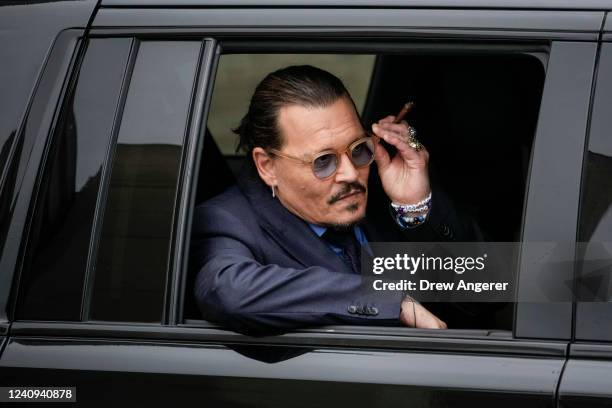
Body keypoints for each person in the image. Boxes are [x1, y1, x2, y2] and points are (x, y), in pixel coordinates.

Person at [191, 65, 483, 334]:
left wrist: (417, 207)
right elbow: (226, 291)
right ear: (268, 166)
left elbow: (487, 294)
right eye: (323, 161)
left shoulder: (387, 191)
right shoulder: (229, 220)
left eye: (358, 148)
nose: (350, 173)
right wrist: (391, 300)